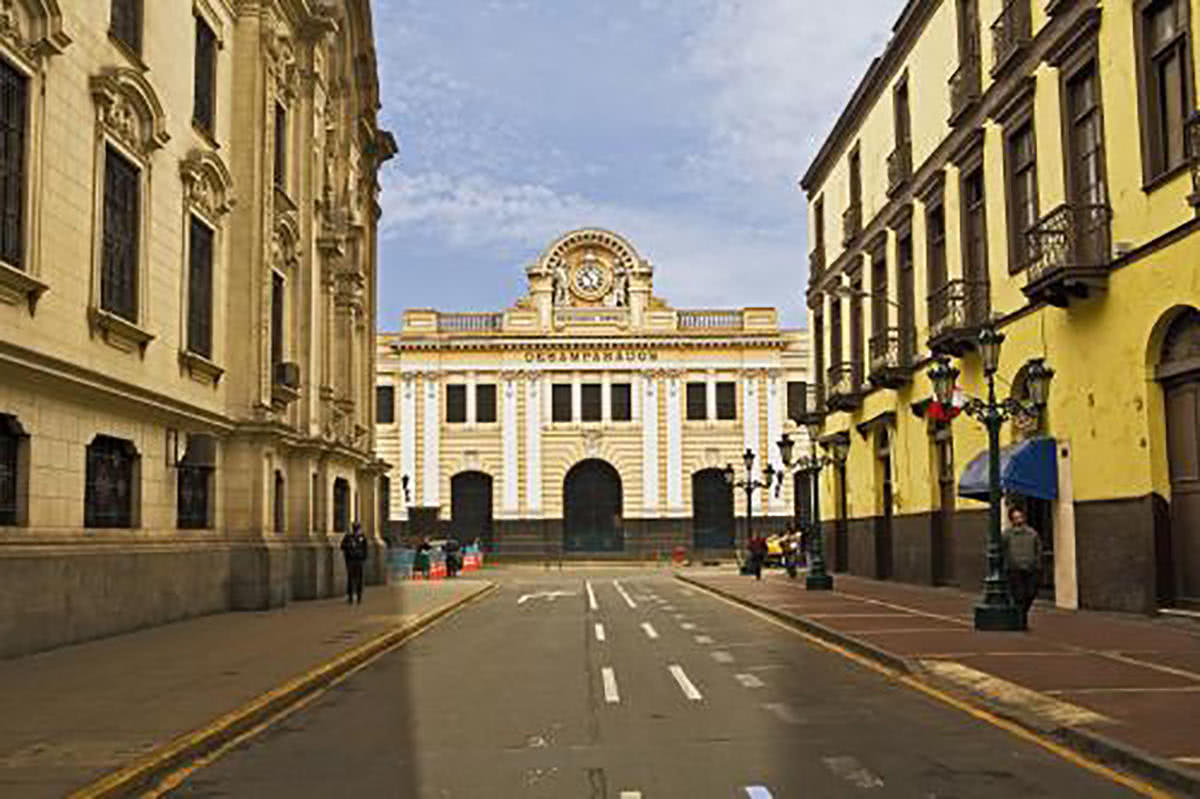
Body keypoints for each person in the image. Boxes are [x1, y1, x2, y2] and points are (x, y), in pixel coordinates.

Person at [1003, 505, 1043, 629]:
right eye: (1015, 518)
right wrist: (1009, 564)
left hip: (1031, 569)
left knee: (1030, 593)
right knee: (1019, 596)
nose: (1018, 520)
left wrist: (1036, 564)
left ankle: (1021, 616)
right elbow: (1003, 550)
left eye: (1020, 517)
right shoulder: (1007, 535)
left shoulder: (1032, 533)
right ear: (1011, 520)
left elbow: (1038, 549)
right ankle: (1021, 621)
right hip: (1014, 570)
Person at [340, 522, 369, 604]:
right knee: (351, 578)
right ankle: (350, 596)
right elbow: (342, 546)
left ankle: (359, 596)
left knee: (359, 579)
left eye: (357, 529)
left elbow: (365, 549)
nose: (356, 530)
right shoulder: (348, 537)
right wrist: (350, 546)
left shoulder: (362, 537)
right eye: (355, 529)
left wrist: (363, 558)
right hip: (351, 560)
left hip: (359, 560)